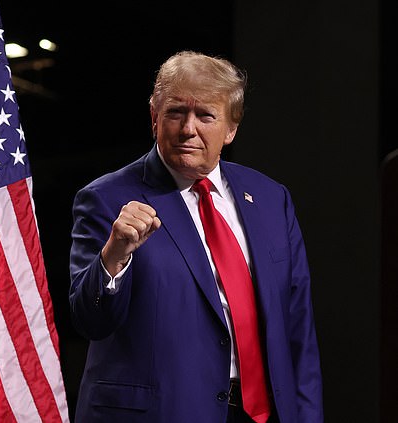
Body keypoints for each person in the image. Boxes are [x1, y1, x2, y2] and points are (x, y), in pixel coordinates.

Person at [69, 50, 323, 422]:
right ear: (155, 117)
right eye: (175, 112)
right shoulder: (106, 199)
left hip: (263, 414)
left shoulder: (271, 198)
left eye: (206, 115)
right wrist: (114, 256)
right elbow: (89, 320)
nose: (189, 128)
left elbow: (298, 331)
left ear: (231, 129)